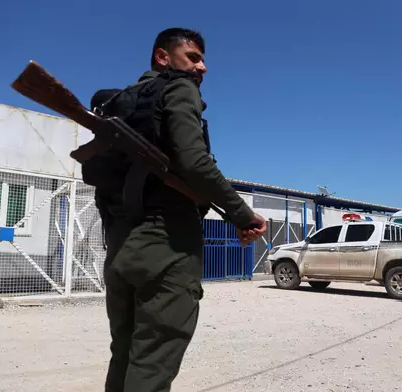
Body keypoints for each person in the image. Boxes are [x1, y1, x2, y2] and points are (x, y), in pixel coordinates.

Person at [95, 28, 267, 392]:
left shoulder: (122, 103)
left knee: (124, 354)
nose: (202, 67)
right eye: (193, 57)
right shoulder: (178, 88)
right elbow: (195, 162)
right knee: (153, 362)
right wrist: (243, 215)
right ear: (162, 57)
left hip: (120, 245)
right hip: (166, 244)